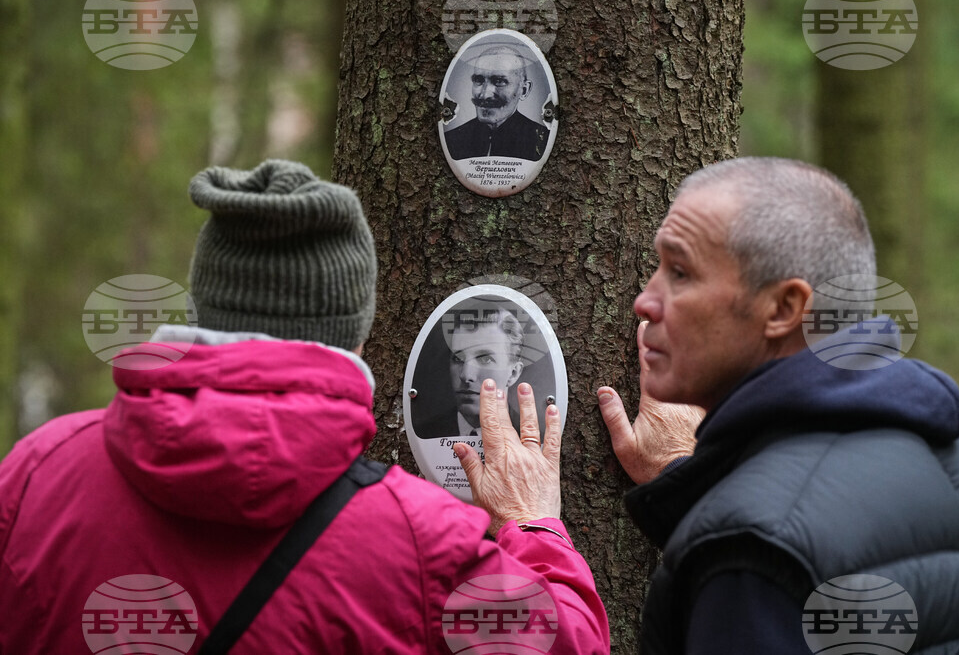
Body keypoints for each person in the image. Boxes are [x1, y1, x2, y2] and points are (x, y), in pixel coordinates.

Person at [0, 160, 609, 653]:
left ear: (202, 310)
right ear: (356, 336)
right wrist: (531, 523)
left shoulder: (32, 477)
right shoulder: (420, 543)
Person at [594, 157, 959, 653]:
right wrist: (691, 480)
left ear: (784, 309)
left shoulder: (752, 556)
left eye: (680, 272)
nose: (645, 300)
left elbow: (778, 555)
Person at [420, 308, 525, 437]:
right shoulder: (425, 434)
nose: (466, 375)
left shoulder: (530, 438)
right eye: (458, 359)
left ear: (513, 373)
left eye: (485, 359)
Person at [444, 45, 550, 161]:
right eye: (479, 80)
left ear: (524, 90)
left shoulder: (541, 139)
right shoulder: (452, 139)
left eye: (499, 81)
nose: (485, 95)